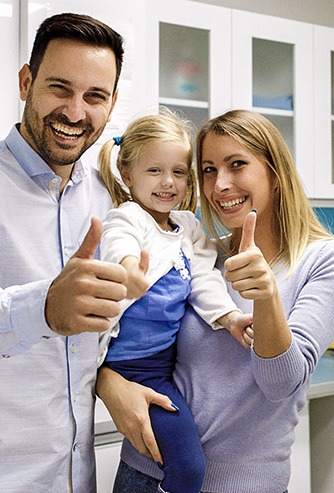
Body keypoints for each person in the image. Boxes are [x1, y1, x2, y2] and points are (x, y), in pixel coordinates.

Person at [96, 109, 334, 493]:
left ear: (274, 170)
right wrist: (107, 382)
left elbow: (280, 384)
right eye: (207, 169)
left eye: (237, 165)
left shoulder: (328, 261)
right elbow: (139, 345)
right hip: (142, 471)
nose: (220, 184)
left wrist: (266, 296)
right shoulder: (195, 252)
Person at [0, 13, 175, 493]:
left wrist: (108, 380)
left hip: (78, 478)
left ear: (112, 103)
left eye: (95, 96)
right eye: (60, 88)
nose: (76, 112)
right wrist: (43, 309)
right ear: (25, 82)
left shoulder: (113, 200)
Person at [97, 110, 253, 493]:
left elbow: (204, 278)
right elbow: (120, 244)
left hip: (162, 369)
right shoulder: (128, 216)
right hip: (129, 369)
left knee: (185, 464)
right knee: (188, 467)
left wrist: (231, 317)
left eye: (179, 172)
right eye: (154, 171)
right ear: (126, 171)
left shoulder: (188, 227)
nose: (168, 183)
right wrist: (129, 270)